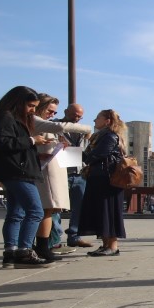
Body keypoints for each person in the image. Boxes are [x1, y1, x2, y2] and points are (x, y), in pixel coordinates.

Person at [0, 86, 52, 267]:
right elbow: (2, 142)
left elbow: (11, 146)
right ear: (18, 102)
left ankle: (11, 252)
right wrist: (32, 140)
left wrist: (35, 151)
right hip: (17, 172)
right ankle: (24, 251)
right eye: (30, 105)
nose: (32, 110)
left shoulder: (9, 118)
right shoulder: (6, 117)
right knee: (35, 211)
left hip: (14, 169)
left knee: (16, 213)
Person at [30, 93, 92, 261]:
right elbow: (61, 127)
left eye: (80, 117)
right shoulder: (45, 123)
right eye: (50, 111)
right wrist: (88, 129)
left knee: (52, 209)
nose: (52, 114)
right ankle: (46, 244)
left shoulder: (47, 124)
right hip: (50, 171)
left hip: (71, 170)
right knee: (47, 209)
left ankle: (51, 243)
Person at [77, 108, 128, 256]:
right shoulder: (100, 136)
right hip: (100, 178)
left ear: (107, 121)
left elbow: (96, 155)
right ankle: (106, 244)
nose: (94, 121)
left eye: (97, 118)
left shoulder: (110, 136)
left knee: (108, 211)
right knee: (102, 211)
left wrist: (79, 153)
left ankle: (112, 246)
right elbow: (89, 155)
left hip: (108, 180)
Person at [59, 103, 92, 248]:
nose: (77, 118)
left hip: (79, 173)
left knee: (80, 208)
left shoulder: (82, 131)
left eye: (79, 116)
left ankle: (74, 236)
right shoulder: (55, 127)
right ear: (66, 112)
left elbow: (86, 151)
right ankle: (53, 237)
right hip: (61, 172)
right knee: (55, 207)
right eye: (74, 115)